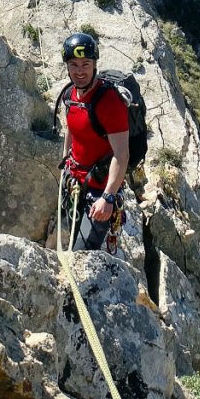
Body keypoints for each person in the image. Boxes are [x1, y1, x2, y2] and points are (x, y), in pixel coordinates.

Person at [56, 31, 129, 252]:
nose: (79, 71)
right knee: (71, 240)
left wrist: (108, 197)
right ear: (67, 66)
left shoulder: (109, 102)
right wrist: (65, 161)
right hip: (75, 183)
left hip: (99, 192)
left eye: (85, 64)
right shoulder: (70, 95)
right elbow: (72, 129)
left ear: (95, 64)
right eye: (74, 64)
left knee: (82, 253)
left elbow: (121, 154)